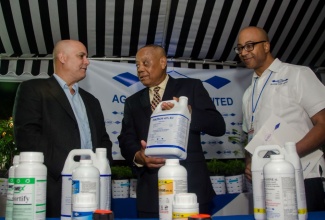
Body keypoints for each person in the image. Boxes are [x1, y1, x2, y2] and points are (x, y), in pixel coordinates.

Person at [118, 44, 226, 217]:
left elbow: (218, 126)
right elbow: (126, 140)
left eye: (145, 63)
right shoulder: (132, 102)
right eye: (137, 65)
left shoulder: (191, 87)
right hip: (151, 195)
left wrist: (189, 113)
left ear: (162, 62)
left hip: (192, 190)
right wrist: (138, 156)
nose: (140, 69)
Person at [13, 40, 113, 217]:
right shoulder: (34, 89)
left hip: (94, 187)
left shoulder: (92, 101)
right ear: (62, 58)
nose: (87, 62)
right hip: (54, 187)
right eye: (81, 56)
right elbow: (27, 136)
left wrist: (100, 170)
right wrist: (69, 171)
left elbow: (103, 140)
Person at [235, 26, 325, 211]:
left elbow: (323, 123)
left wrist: (286, 156)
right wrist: (250, 163)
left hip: (304, 175)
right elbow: (249, 135)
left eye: (250, 46)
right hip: (267, 182)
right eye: (240, 48)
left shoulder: (298, 74)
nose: (244, 52)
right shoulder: (248, 93)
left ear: (266, 46)